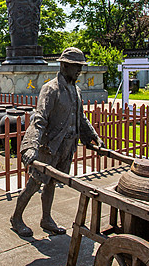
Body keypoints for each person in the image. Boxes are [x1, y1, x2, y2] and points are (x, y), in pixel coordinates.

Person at [10, 47, 104, 237]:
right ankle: (16, 217)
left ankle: (46, 218)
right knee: (34, 183)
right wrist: (30, 146)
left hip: (66, 147)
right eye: (76, 66)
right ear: (64, 65)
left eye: (81, 67)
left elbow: (80, 117)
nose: (79, 70)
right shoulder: (50, 89)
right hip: (49, 146)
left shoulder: (76, 90)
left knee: (52, 182)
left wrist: (92, 136)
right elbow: (39, 119)